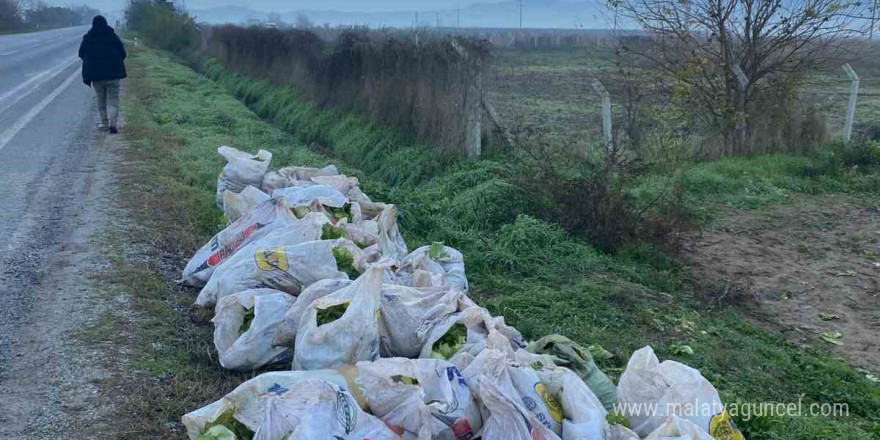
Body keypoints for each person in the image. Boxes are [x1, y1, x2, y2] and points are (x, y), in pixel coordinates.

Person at [78, 15, 127, 134]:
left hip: (96, 76)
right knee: (113, 100)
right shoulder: (112, 36)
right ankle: (113, 125)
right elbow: (123, 53)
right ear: (106, 23)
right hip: (114, 75)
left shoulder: (88, 38)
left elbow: (81, 54)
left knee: (101, 100)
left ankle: (105, 124)